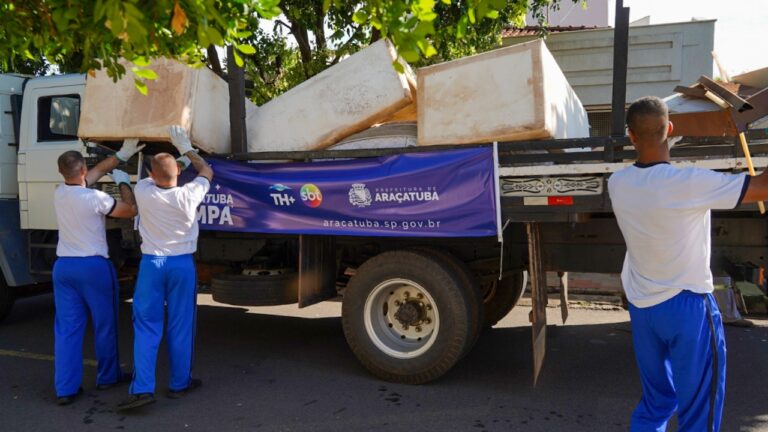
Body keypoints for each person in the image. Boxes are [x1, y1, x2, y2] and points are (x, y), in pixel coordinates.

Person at [608, 96, 768, 431]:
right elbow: (763, 186)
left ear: (631, 136)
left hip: (644, 308)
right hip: (688, 307)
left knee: (656, 404)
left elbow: (653, 161)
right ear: (669, 130)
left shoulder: (618, 184)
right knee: (699, 410)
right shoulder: (691, 183)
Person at [116, 126, 213, 411]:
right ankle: (179, 383)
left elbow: (132, 197)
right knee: (181, 324)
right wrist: (186, 148)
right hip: (182, 264)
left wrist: (122, 177)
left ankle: (143, 388)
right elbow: (206, 170)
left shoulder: (144, 190)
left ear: (150, 176)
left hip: (152, 265)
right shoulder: (190, 193)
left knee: (146, 326)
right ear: (180, 176)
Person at [53, 139, 143, 405]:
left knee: (67, 329)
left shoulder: (59, 192)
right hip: (93, 267)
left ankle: (65, 390)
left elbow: (94, 173)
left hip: (64, 268)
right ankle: (107, 377)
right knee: (104, 324)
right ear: (82, 170)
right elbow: (130, 211)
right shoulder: (95, 198)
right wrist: (124, 183)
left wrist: (120, 155)